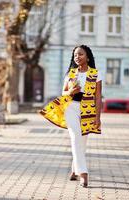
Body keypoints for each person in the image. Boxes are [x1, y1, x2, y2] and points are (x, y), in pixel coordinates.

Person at [39, 45, 102, 188]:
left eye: (80, 54)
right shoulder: (70, 74)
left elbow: (98, 97)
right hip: (71, 108)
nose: (77, 57)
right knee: (75, 137)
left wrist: (98, 117)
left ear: (87, 57)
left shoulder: (96, 74)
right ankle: (83, 173)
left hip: (88, 111)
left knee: (82, 142)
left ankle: (74, 170)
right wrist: (71, 91)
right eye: (75, 55)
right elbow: (64, 93)